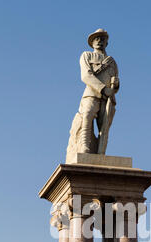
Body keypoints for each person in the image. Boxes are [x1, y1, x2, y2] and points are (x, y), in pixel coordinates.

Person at [66, 29, 119, 160]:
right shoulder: (87, 56)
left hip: (107, 98)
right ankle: (84, 145)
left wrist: (116, 85)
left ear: (107, 42)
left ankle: (101, 152)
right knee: (87, 117)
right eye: (96, 39)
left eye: (102, 39)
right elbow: (85, 76)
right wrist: (102, 89)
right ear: (92, 42)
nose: (99, 41)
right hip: (91, 94)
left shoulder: (112, 62)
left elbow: (115, 79)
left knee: (104, 127)